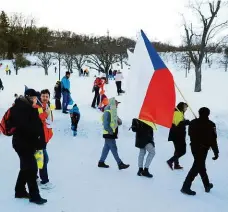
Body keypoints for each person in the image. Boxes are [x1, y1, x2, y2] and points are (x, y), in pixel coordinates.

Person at [10, 89, 47, 204]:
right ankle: (34, 196)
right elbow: (30, 128)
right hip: (23, 144)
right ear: (30, 97)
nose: (37, 100)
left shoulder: (23, 107)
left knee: (26, 167)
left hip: (24, 143)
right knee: (31, 168)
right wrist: (38, 141)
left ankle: (19, 191)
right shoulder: (24, 109)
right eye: (36, 98)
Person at [181, 107, 219, 195]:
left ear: (199, 113)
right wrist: (216, 152)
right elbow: (213, 140)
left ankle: (207, 185)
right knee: (197, 166)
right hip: (203, 149)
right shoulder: (211, 125)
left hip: (194, 148)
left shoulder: (193, 122)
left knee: (200, 165)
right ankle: (185, 187)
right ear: (208, 114)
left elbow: (190, 134)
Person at [98, 99, 130, 170]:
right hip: (109, 134)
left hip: (111, 134)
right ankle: (120, 163)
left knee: (106, 148)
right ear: (112, 104)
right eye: (116, 104)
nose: (117, 105)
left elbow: (119, 122)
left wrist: (118, 120)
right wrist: (110, 131)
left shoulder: (113, 113)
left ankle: (101, 162)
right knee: (113, 148)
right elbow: (106, 125)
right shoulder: (107, 112)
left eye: (117, 104)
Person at [35, 89, 54, 190]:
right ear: (40, 97)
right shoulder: (37, 107)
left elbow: (49, 122)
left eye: (47, 96)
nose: (45, 98)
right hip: (39, 138)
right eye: (43, 96)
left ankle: (35, 177)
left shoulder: (47, 106)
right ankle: (44, 181)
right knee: (43, 160)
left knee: (40, 159)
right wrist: (45, 114)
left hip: (44, 138)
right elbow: (37, 119)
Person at [167, 102, 190, 170]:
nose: (186, 109)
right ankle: (170, 161)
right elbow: (178, 124)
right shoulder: (177, 113)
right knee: (182, 151)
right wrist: (187, 122)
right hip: (178, 135)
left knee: (177, 150)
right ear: (182, 107)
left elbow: (179, 122)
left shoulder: (179, 112)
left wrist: (186, 121)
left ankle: (176, 165)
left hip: (177, 135)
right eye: (185, 107)